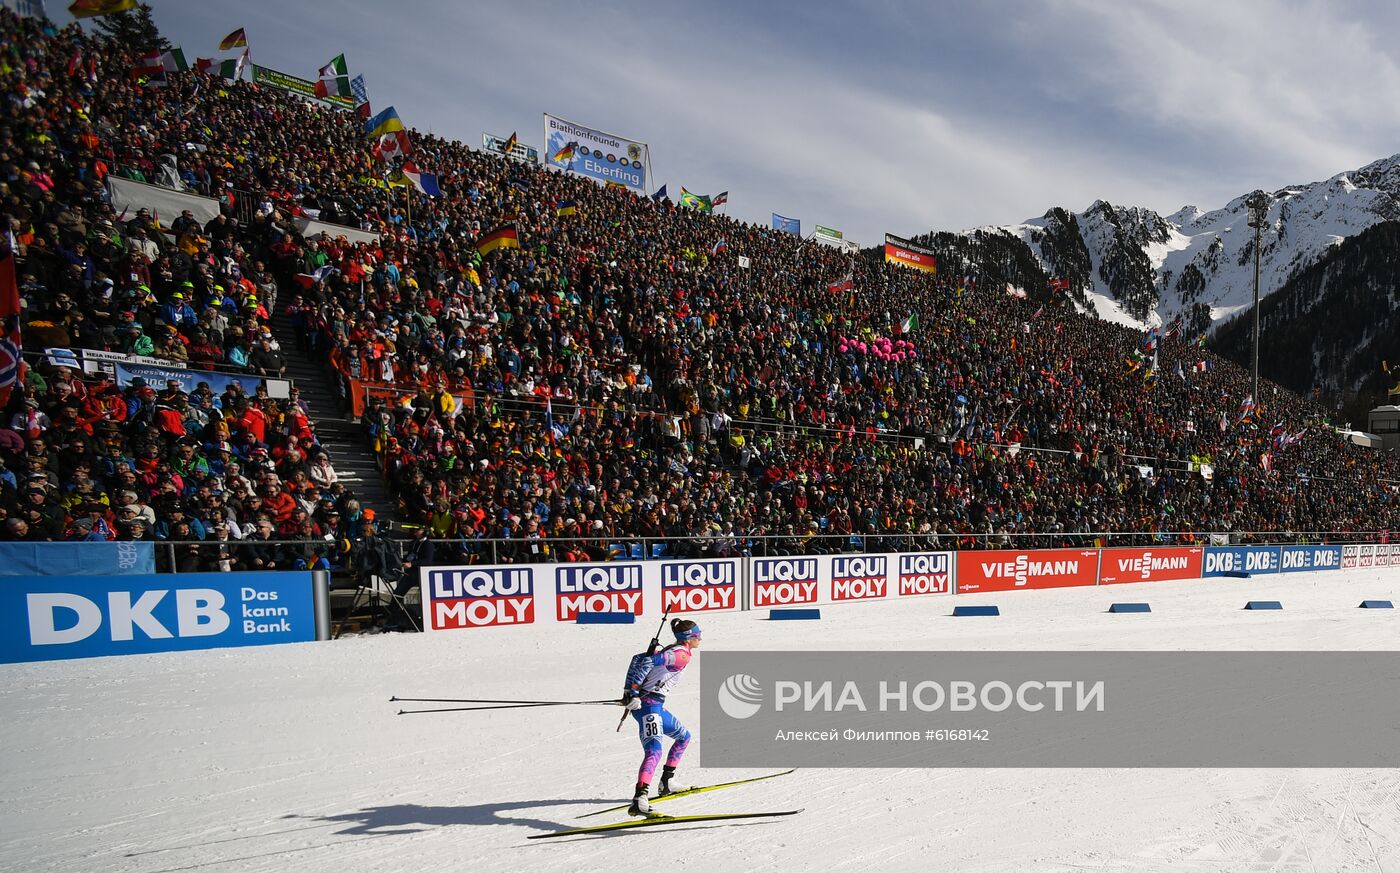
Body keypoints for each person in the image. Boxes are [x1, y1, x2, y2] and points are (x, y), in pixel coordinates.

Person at [620, 618, 701, 816]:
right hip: (648, 707)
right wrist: (633, 692)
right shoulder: (680, 655)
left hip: (653, 705)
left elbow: (637, 658)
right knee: (654, 750)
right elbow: (647, 661)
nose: (700, 638)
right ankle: (640, 798)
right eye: (698, 635)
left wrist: (630, 691)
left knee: (684, 737)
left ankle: (667, 782)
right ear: (689, 638)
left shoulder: (673, 651)